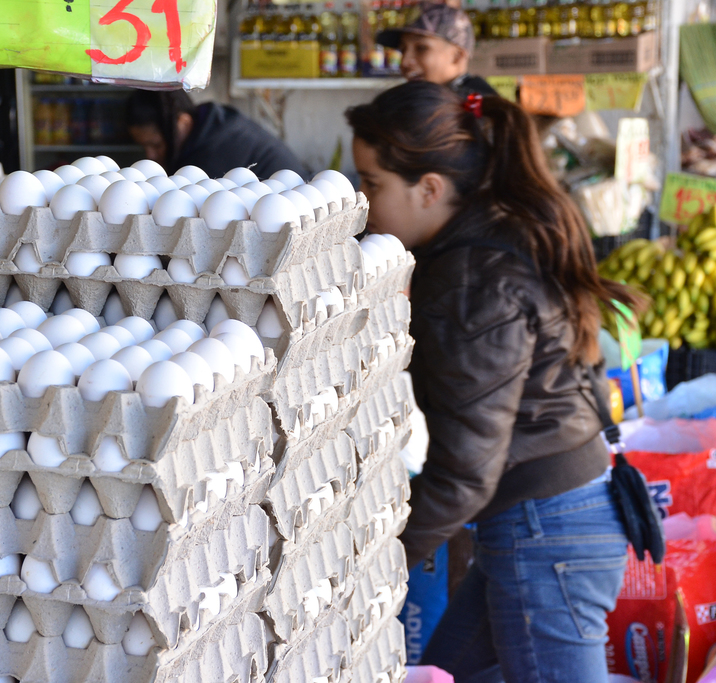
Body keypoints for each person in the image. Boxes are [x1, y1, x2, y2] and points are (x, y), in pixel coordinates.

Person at [346, 81, 645, 683]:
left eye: (373, 184)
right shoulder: (495, 236)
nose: (362, 203)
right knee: (444, 672)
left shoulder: (471, 279)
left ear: (429, 189)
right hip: (555, 515)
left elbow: (465, 471)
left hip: (548, 532)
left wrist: (373, 566)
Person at [125, 90, 307, 179]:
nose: (151, 156)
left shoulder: (214, 151)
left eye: (156, 145)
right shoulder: (214, 123)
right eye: (144, 147)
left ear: (183, 123)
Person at [376, 1, 496, 98]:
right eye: (402, 50)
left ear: (457, 56)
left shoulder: (479, 111)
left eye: (421, 48)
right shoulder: (430, 104)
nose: (404, 62)